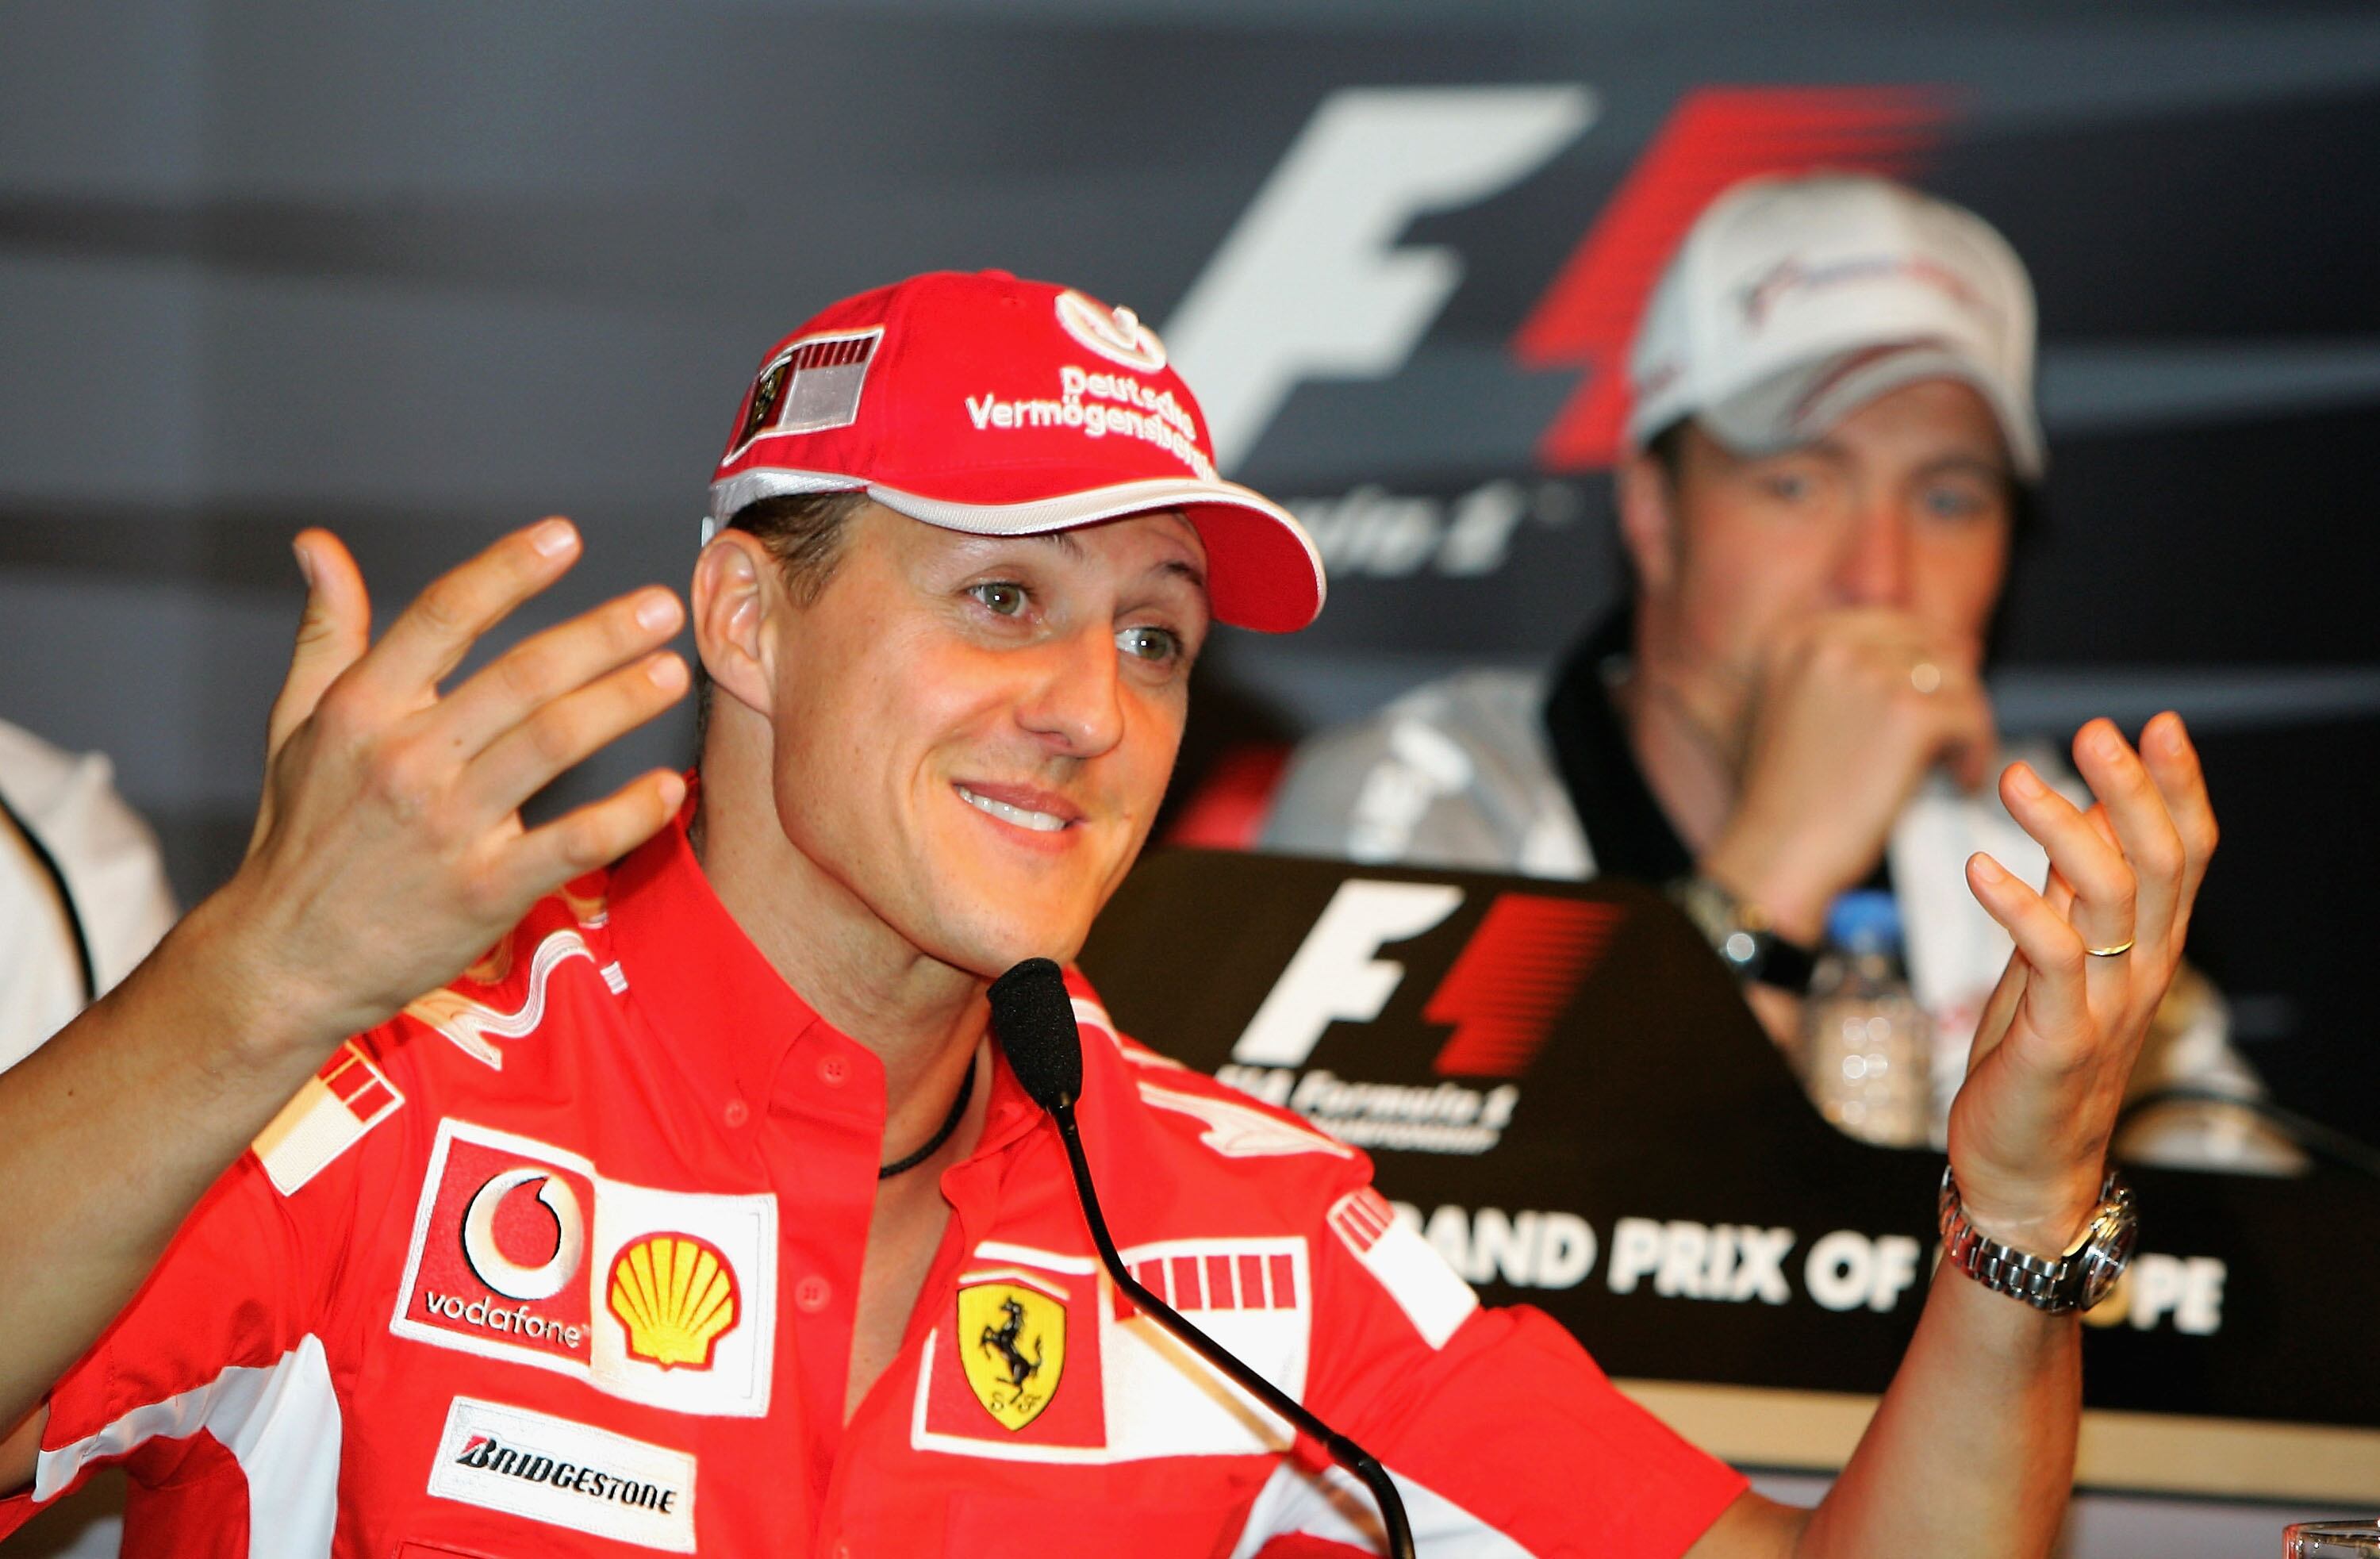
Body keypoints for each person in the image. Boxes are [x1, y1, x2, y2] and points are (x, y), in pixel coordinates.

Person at [0, 269, 2216, 1556]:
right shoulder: (367, 1093)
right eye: (999, 599)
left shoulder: (1238, 1218)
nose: (1089, 707)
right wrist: (253, 982)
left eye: (1155, 637)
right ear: (742, 621)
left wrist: (2021, 1211)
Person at [1261, 172, 2286, 1168]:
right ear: (1653, 514)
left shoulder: (2041, 846)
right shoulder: (1429, 807)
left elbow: (2252, 1288)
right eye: (1798, 482)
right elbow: (1377, 1265)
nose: (1877, 577)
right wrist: (1776, 873)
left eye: (1947, 499)